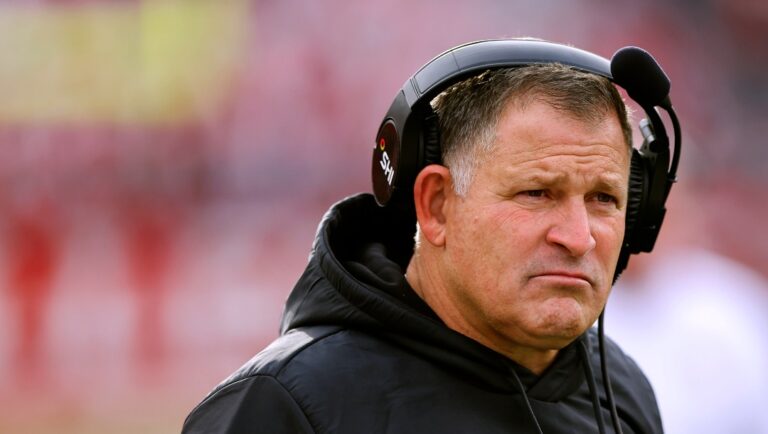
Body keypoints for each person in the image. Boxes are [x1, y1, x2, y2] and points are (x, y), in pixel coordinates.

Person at [183, 40, 667, 433]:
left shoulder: (622, 391)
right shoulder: (283, 406)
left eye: (604, 199)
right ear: (436, 205)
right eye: (537, 193)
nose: (579, 238)